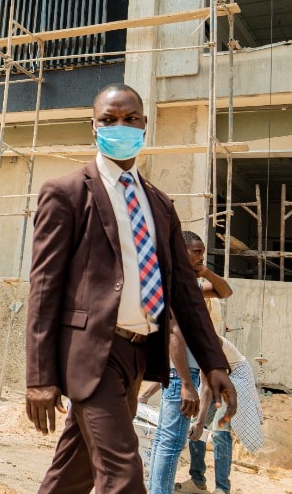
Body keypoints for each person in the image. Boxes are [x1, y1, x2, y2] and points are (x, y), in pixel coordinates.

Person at [25, 83, 237, 493]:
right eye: (108, 119)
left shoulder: (159, 203)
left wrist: (213, 363)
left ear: (144, 124)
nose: (119, 126)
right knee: (123, 475)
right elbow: (44, 289)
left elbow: (184, 291)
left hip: (141, 352)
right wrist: (39, 376)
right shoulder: (66, 194)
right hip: (91, 354)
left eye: (129, 119)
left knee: (75, 471)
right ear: (93, 126)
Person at [144, 231, 233, 494]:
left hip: (181, 371)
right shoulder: (174, 284)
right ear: (181, 252)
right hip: (181, 371)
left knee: (165, 439)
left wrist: (204, 272)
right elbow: (174, 334)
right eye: (196, 251)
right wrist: (185, 383)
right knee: (171, 442)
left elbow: (224, 291)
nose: (201, 256)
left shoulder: (189, 284)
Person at [187, 336, 265, 494]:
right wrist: (199, 422)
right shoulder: (189, 344)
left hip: (237, 376)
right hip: (216, 380)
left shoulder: (209, 342)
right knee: (195, 427)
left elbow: (208, 388)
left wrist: (202, 422)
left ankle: (222, 488)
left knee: (219, 430)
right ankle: (197, 480)